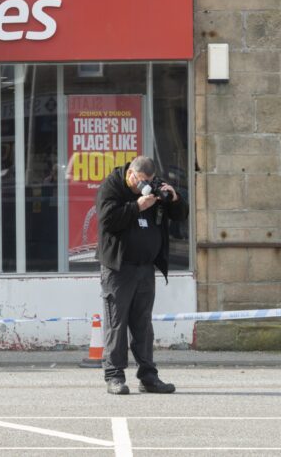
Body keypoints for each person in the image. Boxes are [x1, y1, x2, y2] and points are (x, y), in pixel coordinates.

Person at [95, 155, 189, 395]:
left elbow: (180, 215)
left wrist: (174, 198)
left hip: (145, 267)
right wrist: (137, 206)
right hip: (119, 268)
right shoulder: (112, 186)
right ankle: (114, 376)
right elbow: (107, 220)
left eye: (149, 181)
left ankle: (148, 377)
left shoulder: (153, 187)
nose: (143, 186)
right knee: (117, 323)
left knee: (143, 325)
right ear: (131, 174)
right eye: (141, 181)